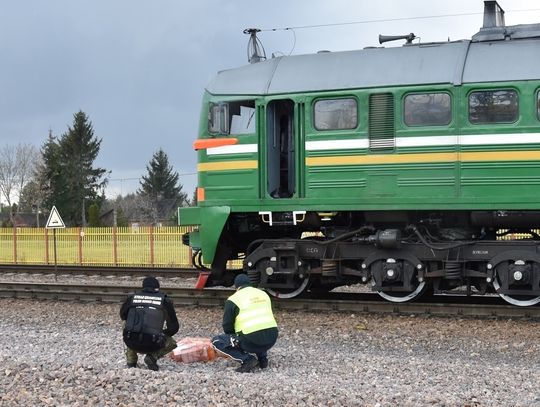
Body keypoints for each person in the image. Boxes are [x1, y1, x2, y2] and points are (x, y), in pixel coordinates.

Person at [212, 274, 278, 373]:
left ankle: (247, 359)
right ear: (249, 284)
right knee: (259, 327)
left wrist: (233, 338)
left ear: (236, 287)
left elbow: (227, 325)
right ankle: (263, 359)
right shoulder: (263, 294)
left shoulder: (234, 299)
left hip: (252, 341)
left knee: (217, 341)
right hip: (271, 339)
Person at [120, 276, 179, 371]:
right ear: (157, 288)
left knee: (127, 324)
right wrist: (162, 334)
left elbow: (123, 316)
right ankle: (152, 357)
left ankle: (131, 362)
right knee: (172, 343)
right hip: (153, 344)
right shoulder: (164, 300)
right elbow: (174, 328)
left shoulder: (132, 298)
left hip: (131, 342)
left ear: (142, 287)